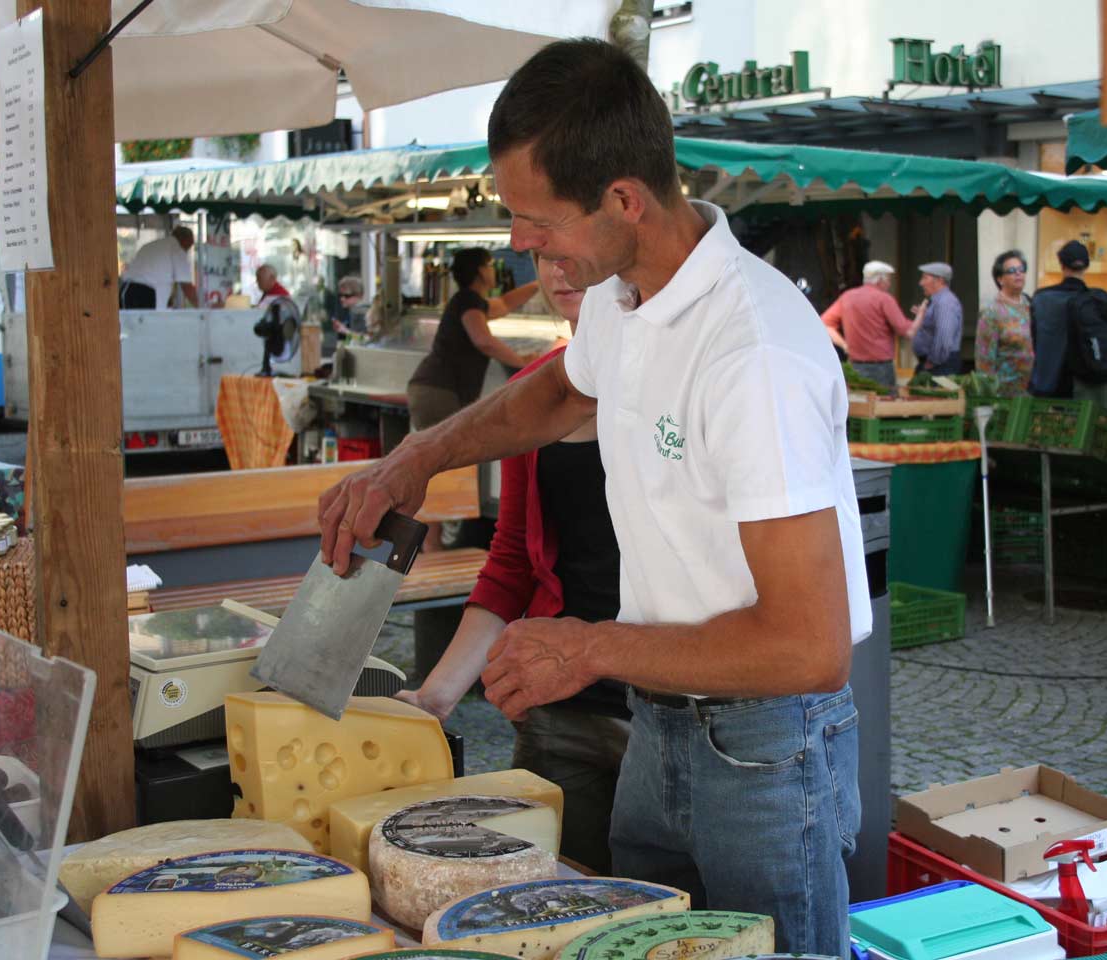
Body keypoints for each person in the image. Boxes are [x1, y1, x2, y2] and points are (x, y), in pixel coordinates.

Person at [318, 38, 869, 956]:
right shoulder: (623, 293)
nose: (520, 245)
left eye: (537, 220)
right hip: (662, 717)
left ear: (624, 199)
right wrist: (416, 457)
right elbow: (565, 389)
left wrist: (586, 648)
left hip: (769, 746)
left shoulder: (753, 354)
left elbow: (810, 648)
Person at [397, 255, 629, 873]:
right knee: (554, 897)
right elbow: (511, 565)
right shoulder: (530, 393)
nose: (560, 269)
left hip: (665, 714)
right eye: (540, 255)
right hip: (559, 712)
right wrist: (436, 696)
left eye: (573, 247)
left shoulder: (674, 386)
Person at [405, 247, 540, 432]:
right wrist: (521, 362)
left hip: (434, 388)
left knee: (448, 456)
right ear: (482, 271)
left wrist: (539, 284)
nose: (494, 271)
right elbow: (483, 340)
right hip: (440, 390)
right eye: (491, 266)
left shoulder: (468, 300)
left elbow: (505, 304)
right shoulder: (467, 300)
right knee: (448, 456)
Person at [1030, 240, 1107, 411]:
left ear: (1061, 264)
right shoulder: (1101, 301)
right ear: (1087, 265)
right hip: (1089, 387)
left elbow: (1035, 341)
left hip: (1051, 387)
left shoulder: (1042, 299)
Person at [819, 260, 923, 389]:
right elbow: (908, 332)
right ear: (880, 280)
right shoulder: (884, 299)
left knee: (860, 404)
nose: (889, 284)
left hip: (854, 366)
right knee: (884, 405)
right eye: (888, 280)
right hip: (881, 368)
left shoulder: (847, 297)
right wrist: (921, 315)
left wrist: (844, 345)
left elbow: (824, 324)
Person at [975, 251, 1034, 396]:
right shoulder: (991, 312)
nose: (1018, 274)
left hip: (1033, 392)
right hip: (1005, 395)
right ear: (1000, 279)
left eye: (1022, 270)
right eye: (1012, 271)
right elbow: (984, 361)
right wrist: (988, 397)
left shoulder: (1032, 306)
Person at [120, 226, 197, 309]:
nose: (188, 249)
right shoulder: (176, 248)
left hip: (126, 291)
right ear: (184, 240)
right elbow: (187, 287)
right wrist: (203, 308)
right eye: (190, 245)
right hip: (144, 294)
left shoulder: (152, 245)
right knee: (150, 321)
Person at [910, 261, 963, 375]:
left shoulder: (945, 302)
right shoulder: (937, 301)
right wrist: (922, 316)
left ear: (939, 280)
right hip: (935, 363)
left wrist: (933, 361)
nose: (921, 283)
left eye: (925, 278)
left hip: (939, 365)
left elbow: (944, 337)